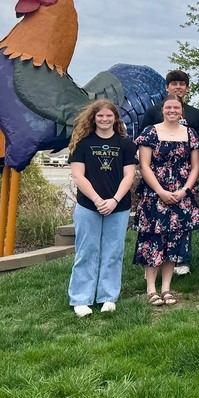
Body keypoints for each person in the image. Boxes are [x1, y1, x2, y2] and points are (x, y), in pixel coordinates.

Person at [66, 100, 138, 316]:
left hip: (118, 206)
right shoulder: (83, 143)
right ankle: (81, 299)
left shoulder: (125, 144)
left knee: (113, 252)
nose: (105, 120)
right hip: (88, 205)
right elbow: (78, 175)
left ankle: (108, 297)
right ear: (93, 118)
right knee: (87, 251)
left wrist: (114, 200)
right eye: (100, 116)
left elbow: (129, 175)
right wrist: (97, 200)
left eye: (109, 116)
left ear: (115, 118)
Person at [133, 97, 199, 307]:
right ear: (162, 110)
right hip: (155, 194)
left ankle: (166, 287)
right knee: (152, 239)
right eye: (168, 107)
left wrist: (184, 190)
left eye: (176, 108)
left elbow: (196, 167)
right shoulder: (150, 132)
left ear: (182, 111)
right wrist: (160, 191)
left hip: (181, 194)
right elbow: (144, 165)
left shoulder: (190, 133)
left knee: (174, 241)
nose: (172, 110)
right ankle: (151, 288)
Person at [140, 70, 199, 276]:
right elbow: (144, 157)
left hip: (182, 181)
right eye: (174, 83)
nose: (178, 87)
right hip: (156, 184)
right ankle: (153, 268)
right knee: (155, 228)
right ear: (166, 88)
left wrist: (186, 188)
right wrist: (158, 189)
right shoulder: (152, 115)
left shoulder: (195, 115)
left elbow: (198, 152)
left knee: (180, 226)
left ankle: (180, 261)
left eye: (182, 83)